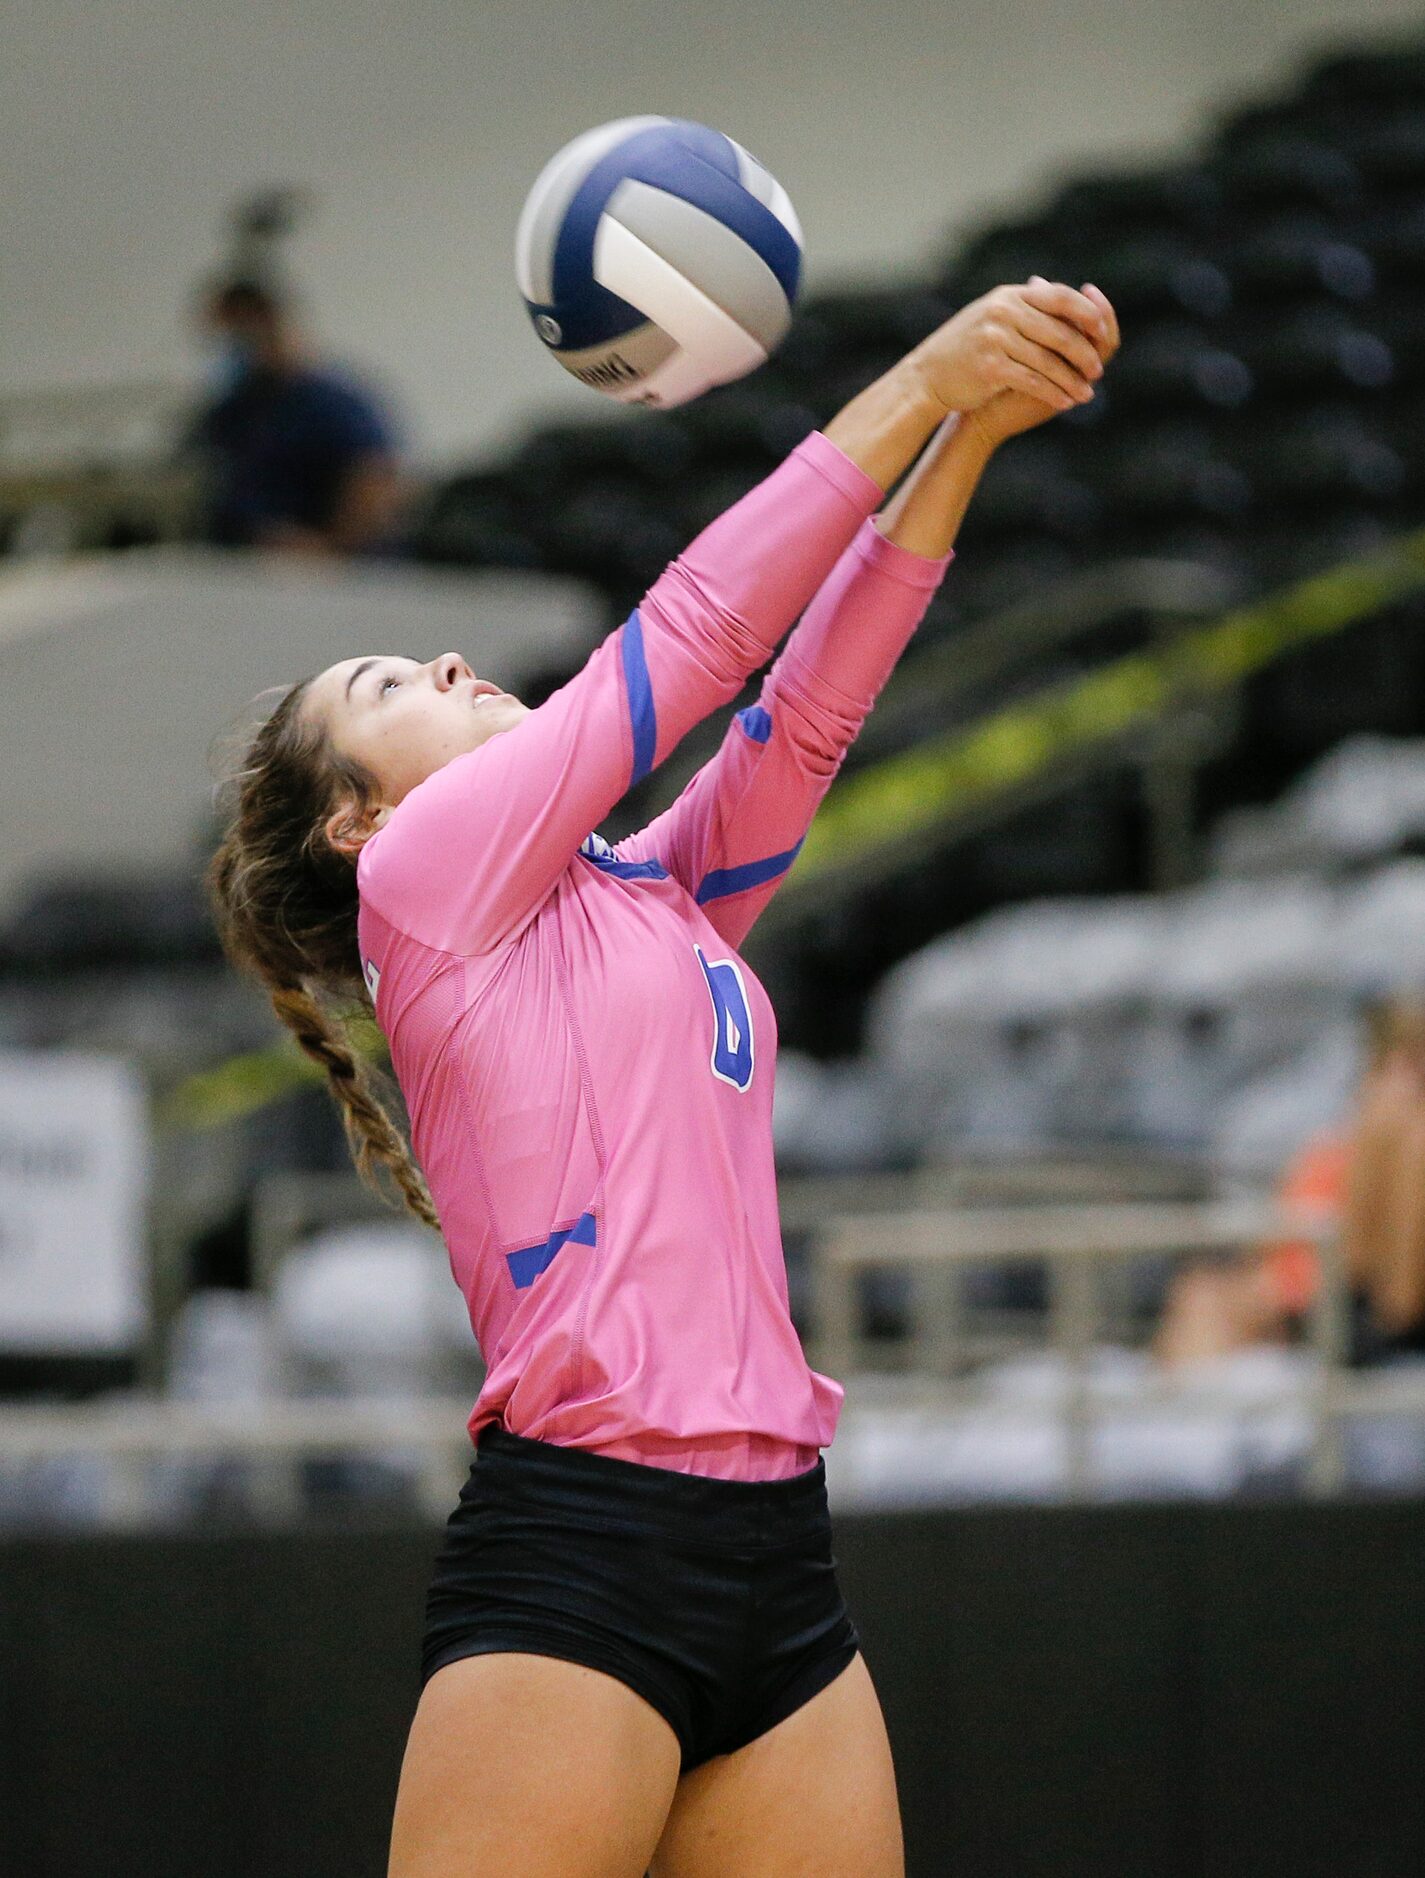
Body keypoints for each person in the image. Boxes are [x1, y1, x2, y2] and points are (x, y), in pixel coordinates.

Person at [209, 276, 1118, 1878]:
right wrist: (917, 379)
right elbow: (690, 637)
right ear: (359, 817)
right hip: (584, 1555)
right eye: (387, 690)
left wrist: (970, 430)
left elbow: (808, 712)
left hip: (778, 1545)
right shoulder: (419, 881)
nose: (437, 655)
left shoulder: (646, 889)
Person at [1154, 995, 1425, 1370]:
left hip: (1357, 1306)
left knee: (1211, 1301)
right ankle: (1180, 1412)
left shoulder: (1400, 1137)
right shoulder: (1347, 1143)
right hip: (1324, 1290)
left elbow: (1388, 1289)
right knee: (1202, 1295)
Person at [188, 276, 403, 556]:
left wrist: (326, 549)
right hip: (241, 564)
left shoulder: (334, 406)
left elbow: (374, 484)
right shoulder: (235, 410)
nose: (231, 349)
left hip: (322, 575)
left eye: (238, 336)